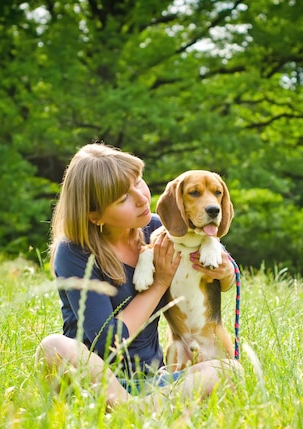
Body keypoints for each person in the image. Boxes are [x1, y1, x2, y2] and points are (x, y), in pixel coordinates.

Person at [36, 143, 242, 410]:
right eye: (123, 198)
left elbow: (218, 277)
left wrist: (225, 273)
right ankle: (137, 407)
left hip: (153, 379)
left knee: (231, 370)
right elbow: (107, 341)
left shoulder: (157, 229)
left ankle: (134, 409)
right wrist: (158, 284)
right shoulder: (73, 252)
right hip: (96, 378)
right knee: (52, 347)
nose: (142, 198)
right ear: (94, 214)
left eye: (138, 182)